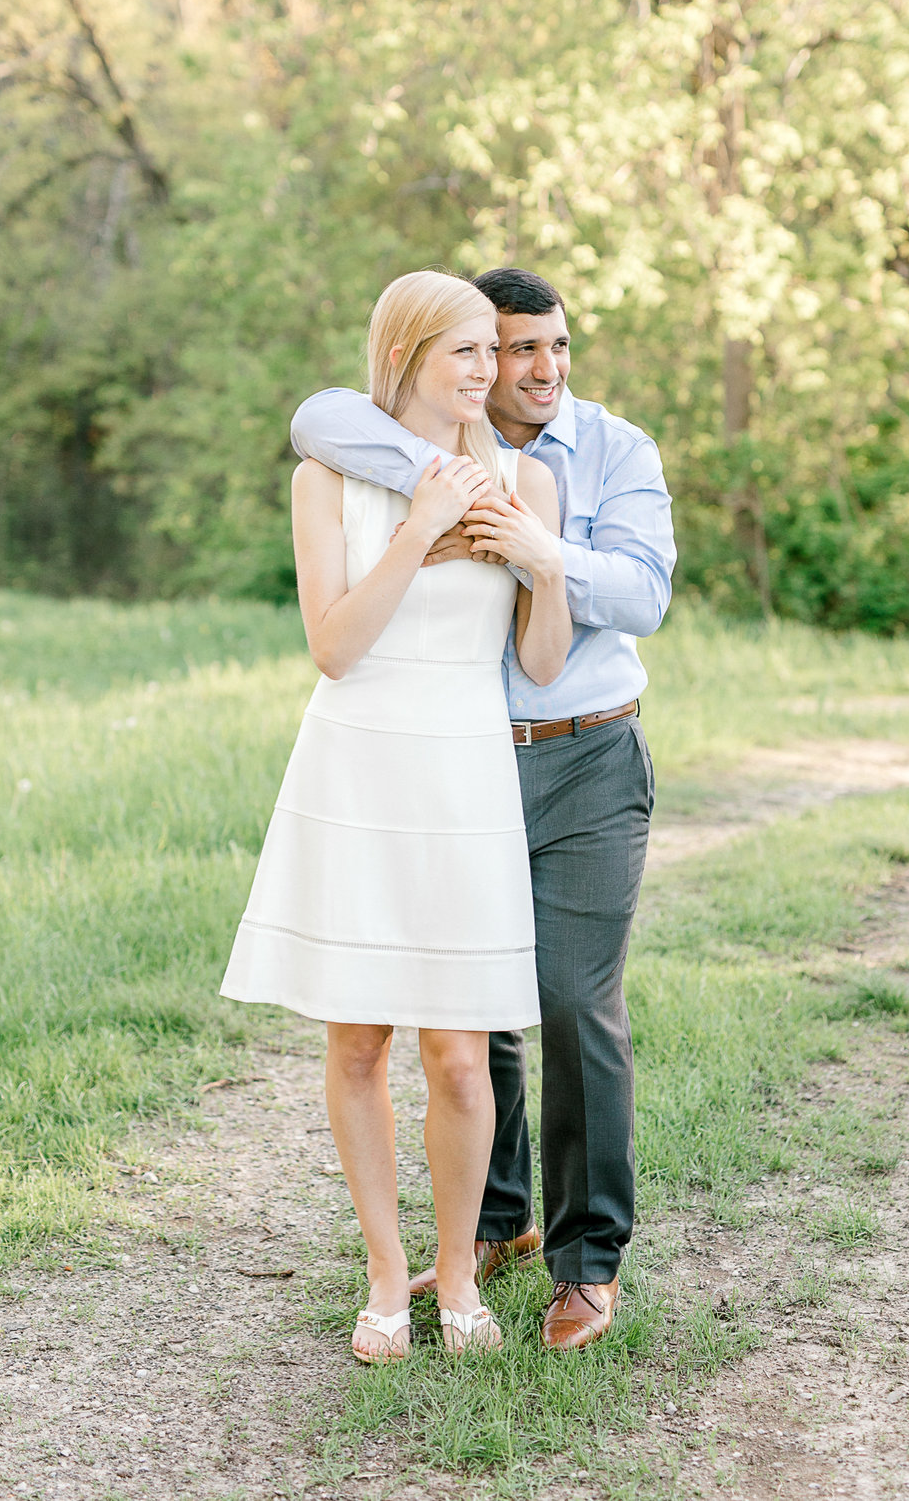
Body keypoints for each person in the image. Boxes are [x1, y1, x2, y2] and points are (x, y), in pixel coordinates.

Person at [290, 265, 675, 1353]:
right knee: (468, 1025)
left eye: (555, 348)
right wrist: (434, 506)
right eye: (508, 350)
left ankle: (585, 1264)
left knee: (566, 998)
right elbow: (320, 416)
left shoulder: (601, 455)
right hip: (436, 762)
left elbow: (627, 605)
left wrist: (540, 558)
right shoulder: (378, 450)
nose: (536, 369)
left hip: (585, 754)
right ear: (463, 357)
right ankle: (485, 1236)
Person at [223, 269, 573, 1361]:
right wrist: (419, 529)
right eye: (465, 352)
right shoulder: (326, 480)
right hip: (358, 763)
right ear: (407, 354)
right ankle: (386, 1277)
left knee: (463, 1057)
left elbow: (540, 662)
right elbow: (333, 646)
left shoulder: (527, 481)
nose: (490, 372)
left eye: (495, 352)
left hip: (463, 771)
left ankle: (460, 1274)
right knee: (361, 1039)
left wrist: (541, 566)